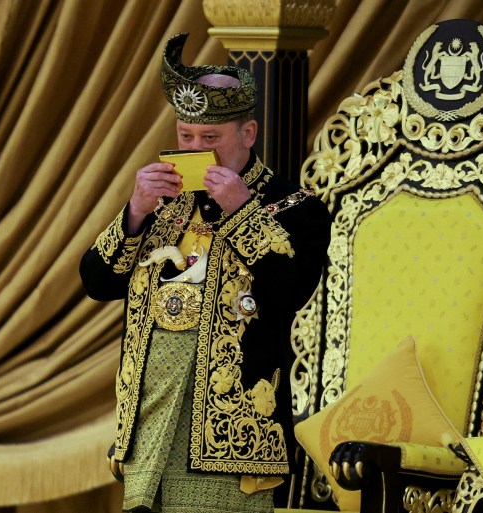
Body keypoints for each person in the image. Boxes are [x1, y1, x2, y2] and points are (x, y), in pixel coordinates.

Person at [80, 32, 331, 513]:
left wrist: (240, 212)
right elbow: (98, 282)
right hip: (148, 423)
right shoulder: (163, 205)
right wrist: (134, 211)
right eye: (186, 137)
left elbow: (291, 290)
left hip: (230, 436)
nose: (197, 150)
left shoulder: (294, 208)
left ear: (249, 135)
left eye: (211, 138)